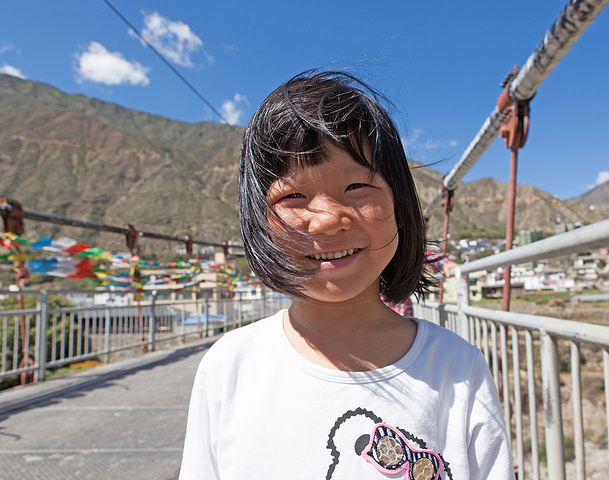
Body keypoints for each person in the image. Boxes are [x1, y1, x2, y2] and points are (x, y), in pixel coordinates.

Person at [179, 71, 514, 480]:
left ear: (401, 206)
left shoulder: (458, 369)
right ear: (258, 223)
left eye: (356, 186)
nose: (326, 220)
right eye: (293, 196)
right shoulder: (227, 368)